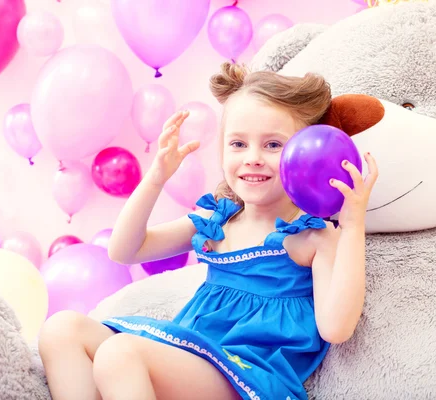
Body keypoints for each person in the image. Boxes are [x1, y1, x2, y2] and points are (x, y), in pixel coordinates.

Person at [38, 62, 378, 400]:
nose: (253, 158)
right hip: (185, 360)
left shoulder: (310, 237)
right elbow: (124, 250)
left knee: (120, 354)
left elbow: (336, 327)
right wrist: (156, 177)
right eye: (238, 144)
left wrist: (352, 225)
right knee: (61, 329)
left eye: (273, 145)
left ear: (305, 153)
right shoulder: (219, 222)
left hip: (245, 378)